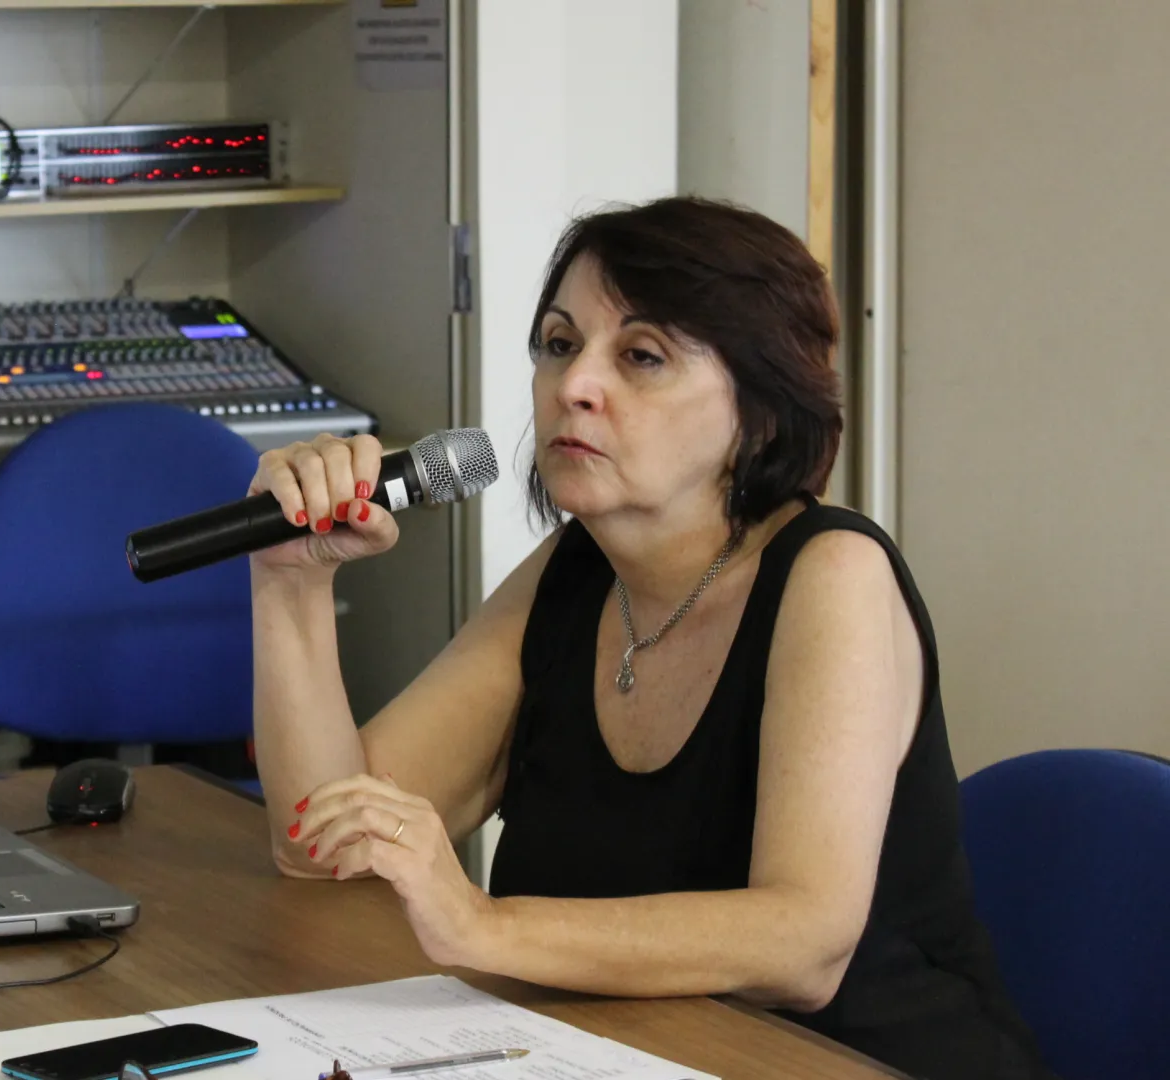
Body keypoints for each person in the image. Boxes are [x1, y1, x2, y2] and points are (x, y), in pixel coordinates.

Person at [250, 196, 1054, 1080]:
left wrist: (480, 923)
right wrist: (291, 582)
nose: (574, 385)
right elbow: (321, 846)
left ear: (760, 409)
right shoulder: (574, 572)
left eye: (642, 356)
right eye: (560, 344)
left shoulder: (832, 573)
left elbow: (805, 945)